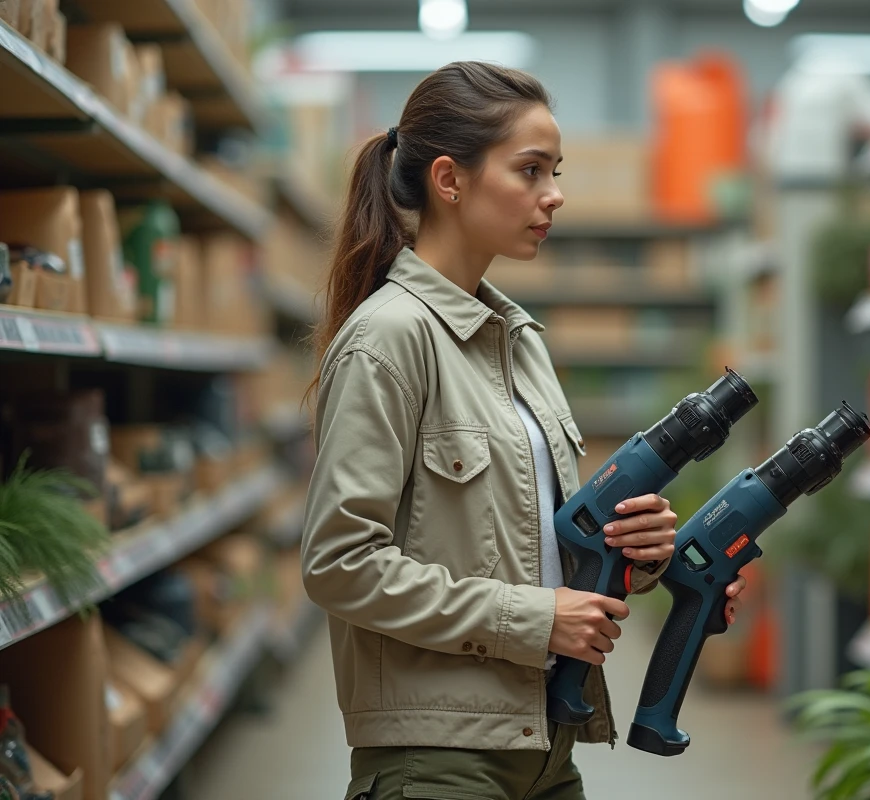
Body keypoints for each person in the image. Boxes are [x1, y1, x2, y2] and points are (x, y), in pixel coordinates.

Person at [301, 61, 747, 800]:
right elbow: (340, 564)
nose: (555, 194)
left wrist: (637, 555)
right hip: (435, 756)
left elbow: (529, 544)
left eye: (556, 170)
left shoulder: (519, 341)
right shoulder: (388, 339)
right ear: (450, 180)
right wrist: (534, 619)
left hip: (542, 745)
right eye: (531, 170)